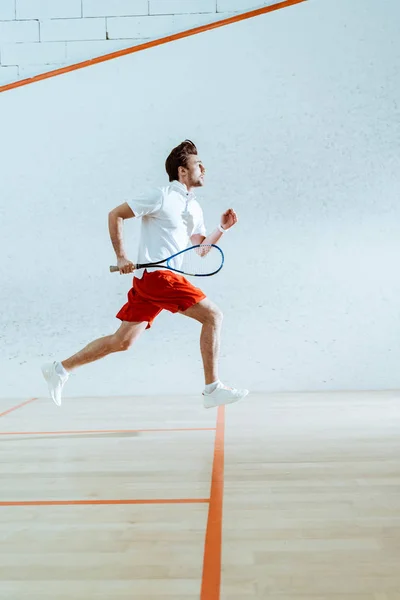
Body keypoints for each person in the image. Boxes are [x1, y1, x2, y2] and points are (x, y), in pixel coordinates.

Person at [41, 140, 249, 408]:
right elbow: (115, 214)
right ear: (182, 172)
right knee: (213, 316)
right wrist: (121, 256)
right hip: (158, 278)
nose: (203, 168)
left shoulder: (194, 208)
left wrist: (222, 229)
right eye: (198, 164)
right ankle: (212, 388)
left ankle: (60, 369)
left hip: (154, 283)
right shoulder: (160, 196)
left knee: (122, 341)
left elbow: (200, 249)